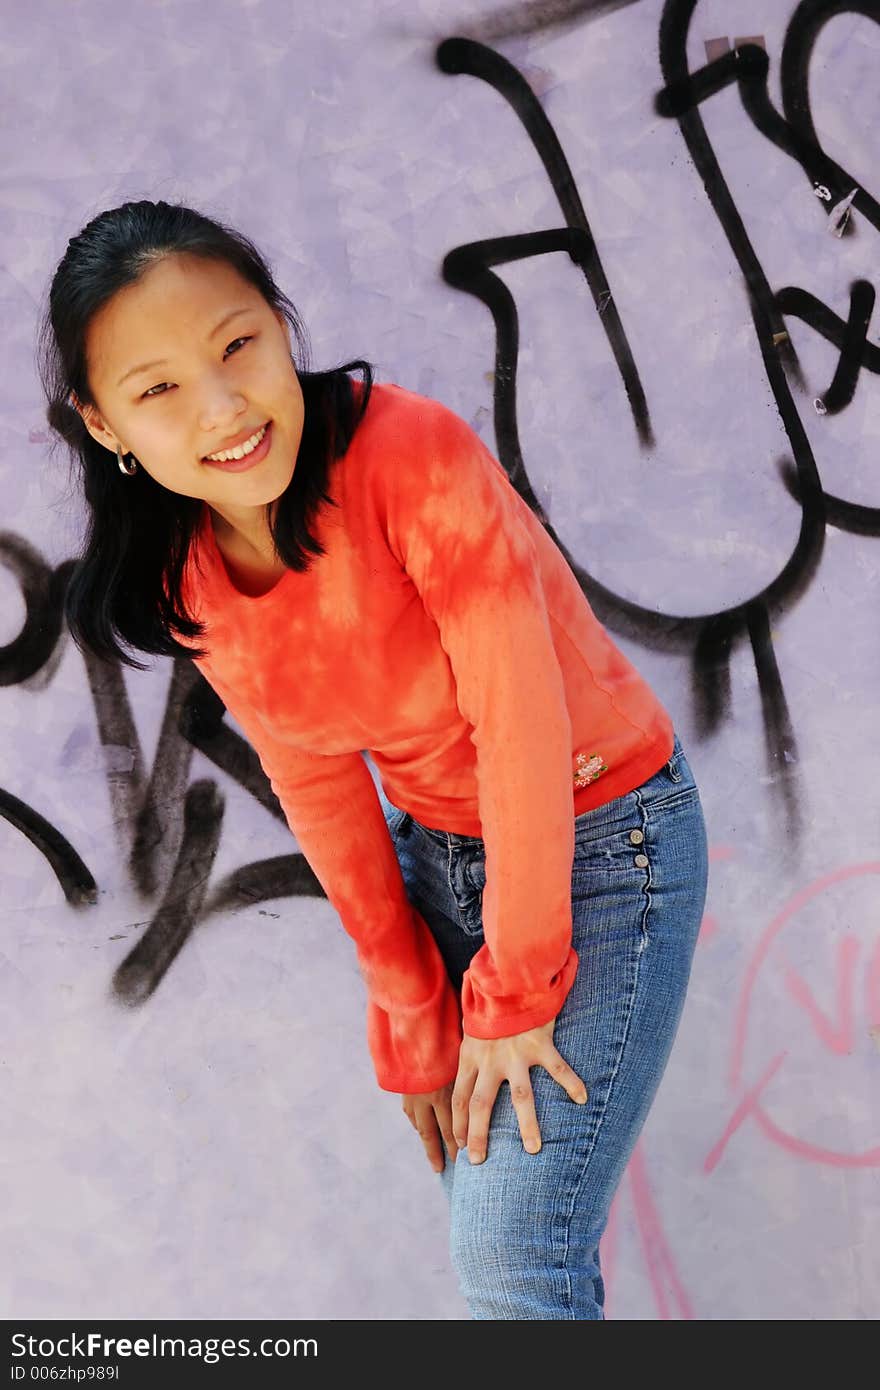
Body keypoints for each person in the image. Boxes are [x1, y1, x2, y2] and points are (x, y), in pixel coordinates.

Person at [38, 198, 709, 1320]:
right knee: (507, 1245)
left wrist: (515, 986)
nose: (222, 408)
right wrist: (410, 1004)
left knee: (513, 1261)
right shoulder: (189, 568)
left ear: (282, 327)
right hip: (439, 865)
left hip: (601, 844)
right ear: (102, 424)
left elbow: (520, 715)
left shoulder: (411, 456)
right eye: (156, 389)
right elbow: (315, 777)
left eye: (239, 345)